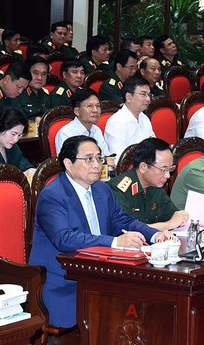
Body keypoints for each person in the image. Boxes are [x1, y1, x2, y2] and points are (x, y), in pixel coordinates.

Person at [29, 134, 168, 333]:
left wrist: (155, 235)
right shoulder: (52, 195)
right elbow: (64, 238)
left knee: (145, 301)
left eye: (99, 158)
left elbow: (123, 221)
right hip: (64, 281)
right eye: (89, 159)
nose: (97, 164)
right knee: (113, 315)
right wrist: (116, 242)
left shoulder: (102, 189)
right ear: (68, 163)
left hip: (99, 274)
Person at [107, 137, 189, 230]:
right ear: (143, 167)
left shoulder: (156, 187)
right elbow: (127, 231)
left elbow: (174, 215)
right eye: (163, 169)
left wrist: (178, 217)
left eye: (170, 169)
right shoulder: (117, 190)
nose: (168, 175)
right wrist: (169, 224)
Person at [103, 76, 155, 163]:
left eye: (149, 95)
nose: (148, 99)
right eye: (143, 94)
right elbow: (119, 159)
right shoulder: (117, 122)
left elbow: (153, 146)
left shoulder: (144, 118)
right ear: (129, 97)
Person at [54, 88, 113, 165]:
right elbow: (70, 165)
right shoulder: (66, 133)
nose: (95, 110)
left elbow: (106, 157)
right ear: (77, 111)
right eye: (89, 106)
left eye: (98, 106)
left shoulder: (96, 130)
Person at [12, 55, 51, 122]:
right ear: (27, 73)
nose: (40, 78)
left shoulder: (45, 95)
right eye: (36, 73)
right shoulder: (18, 94)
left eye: (44, 74)